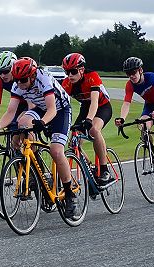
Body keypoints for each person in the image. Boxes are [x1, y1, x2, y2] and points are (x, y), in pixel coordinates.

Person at [0, 57, 76, 218]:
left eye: (23, 80)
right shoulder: (17, 84)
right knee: (21, 122)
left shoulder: (43, 79)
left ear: (32, 76)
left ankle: (69, 195)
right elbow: (11, 112)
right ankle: (33, 162)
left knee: (57, 151)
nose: (20, 84)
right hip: (40, 108)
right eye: (17, 80)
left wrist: (43, 122)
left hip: (60, 110)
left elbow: (52, 109)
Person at [115, 56, 154, 183]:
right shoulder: (130, 85)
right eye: (128, 73)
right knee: (143, 128)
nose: (131, 76)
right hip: (149, 106)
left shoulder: (152, 77)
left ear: (140, 70)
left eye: (133, 72)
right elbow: (127, 103)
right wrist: (122, 118)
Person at [61, 52, 113, 185]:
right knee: (73, 142)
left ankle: (104, 169)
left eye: (73, 71)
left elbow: (95, 102)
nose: (70, 75)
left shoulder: (92, 76)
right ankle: (89, 167)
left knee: (94, 130)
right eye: (67, 72)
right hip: (85, 107)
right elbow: (59, 104)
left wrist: (89, 120)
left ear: (82, 69)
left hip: (102, 107)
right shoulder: (67, 83)